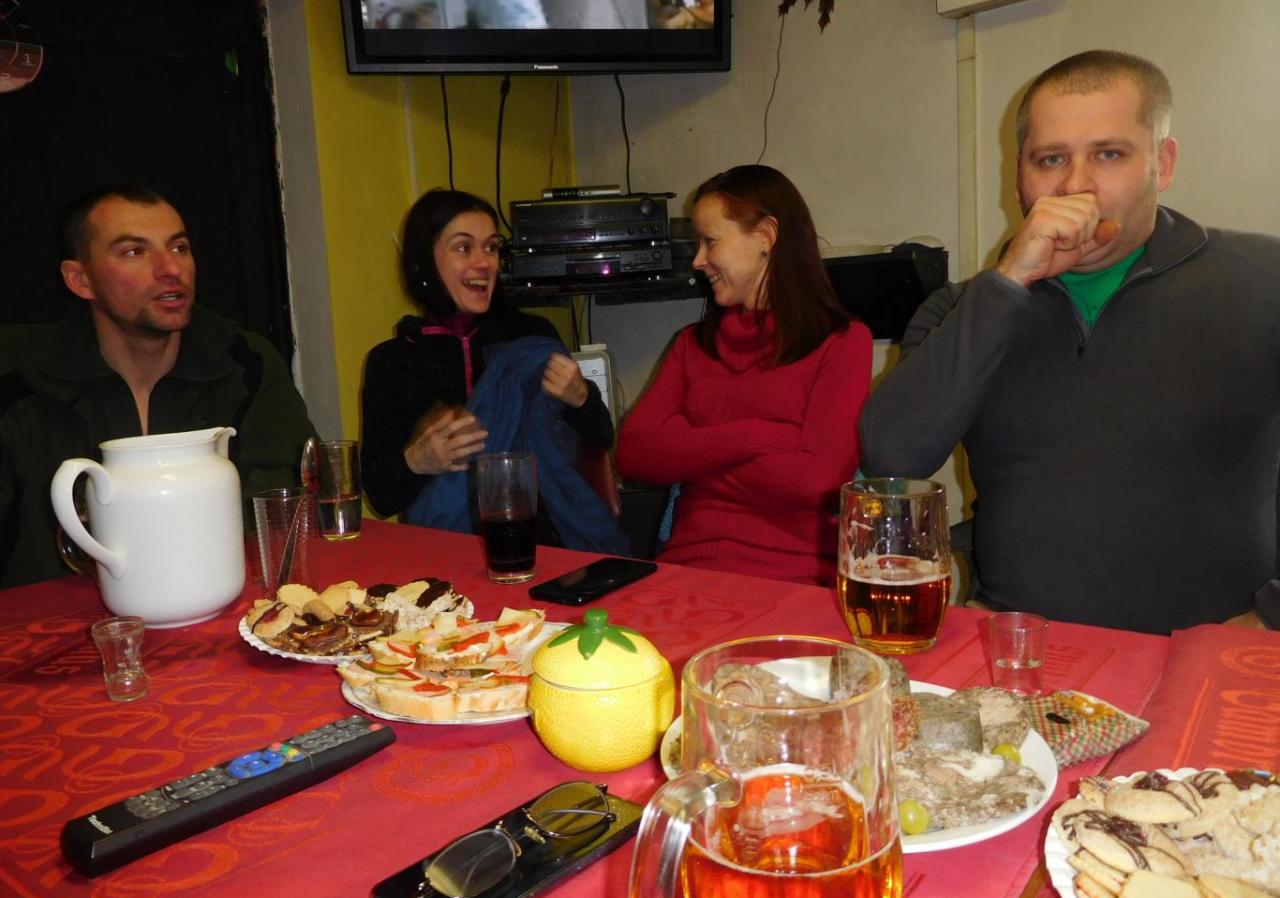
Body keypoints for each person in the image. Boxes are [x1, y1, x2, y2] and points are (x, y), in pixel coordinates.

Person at [858, 50, 1280, 635]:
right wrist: (1008, 281)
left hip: (1211, 663)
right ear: (1018, 179)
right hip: (1017, 655)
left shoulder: (1264, 279)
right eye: (1051, 159)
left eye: (1109, 154)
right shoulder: (964, 307)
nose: (1076, 184)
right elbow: (892, 458)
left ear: (1162, 164)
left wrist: (1269, 617)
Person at [0, 186, 317, 589]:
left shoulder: (245, 363)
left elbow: (288, 506)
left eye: (179, 248)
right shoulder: (20, 381)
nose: (170, 268)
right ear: (80, 280)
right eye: (135, 251)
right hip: (48, 620)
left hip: (220, 603)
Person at [615, 165, 873, 586]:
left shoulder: (843, 343)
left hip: (793, 580)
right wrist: (756, 436)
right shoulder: (692, 345)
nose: (698, 260)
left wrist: (690, 452)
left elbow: (817, 482)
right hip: (686, 570)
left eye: (710, 241)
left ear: (766, 237)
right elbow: (634, 455)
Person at [360, 188, 615, 545]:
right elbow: (380, 495)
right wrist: (416, 461)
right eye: (464, 248)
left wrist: (581, 398)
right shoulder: (393, 361)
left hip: (542, 542)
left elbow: (602, 438)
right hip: (444, 552)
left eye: (491, 247)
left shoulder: (532, 339)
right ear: (424, 261)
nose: (484, 262)